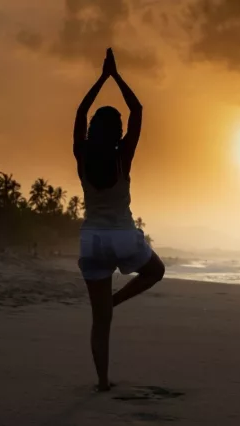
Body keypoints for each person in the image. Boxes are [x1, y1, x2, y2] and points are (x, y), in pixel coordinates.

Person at [73, 48, 165, 392]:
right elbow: (137, 110)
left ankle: (102, 382)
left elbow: (81, 111)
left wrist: (100, 79)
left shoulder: (81, 154)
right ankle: (116, 300)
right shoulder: (122, 157)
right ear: (117, 133)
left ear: (93, 130)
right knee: (155, 271)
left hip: (92, 240)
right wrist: (115, 75)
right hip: (123, 236)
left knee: (100, 322)